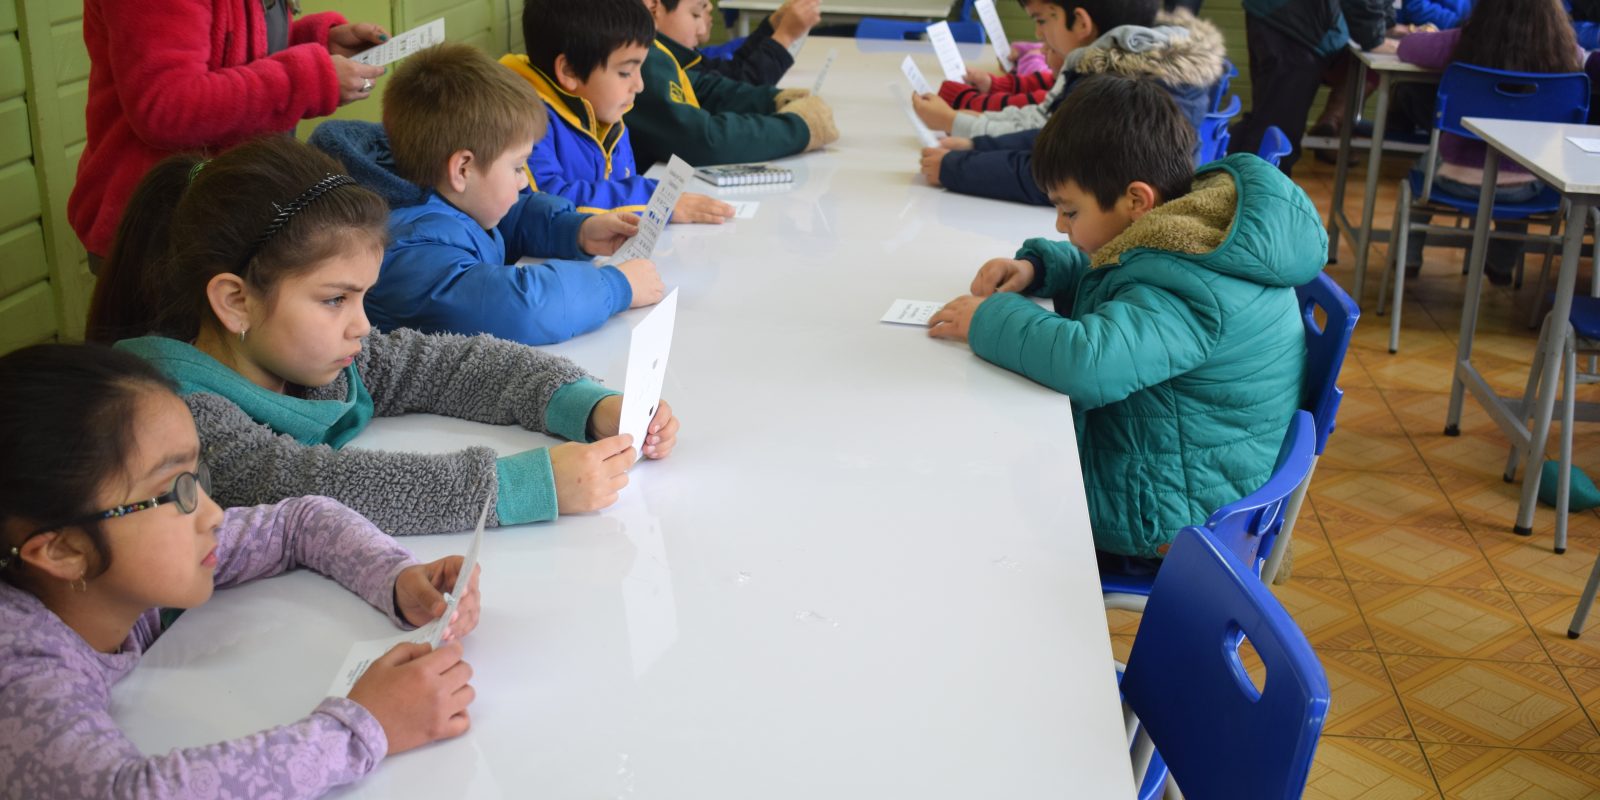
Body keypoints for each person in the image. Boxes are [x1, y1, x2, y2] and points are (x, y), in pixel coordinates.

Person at [84, 136, 680, 536]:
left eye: (363, 297)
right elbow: (314, 488)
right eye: (335, 299)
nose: (362, 325)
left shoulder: (299, 355)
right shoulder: (174, 417)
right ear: (236, 301)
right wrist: (523, 485)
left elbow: (449, 364)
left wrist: (587, 404)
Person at [0, 343, 480, 797]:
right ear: (64, 551)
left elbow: (298, 523)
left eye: (196, 478)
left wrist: (397, 579)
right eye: (174, 493)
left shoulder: (105, 576)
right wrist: (362, 728)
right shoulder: (19, 673)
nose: (212, 514)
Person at [925, 75, 1325, 559]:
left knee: (965, 486)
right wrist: (1040, 268)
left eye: (1070, 211)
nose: (1059, 224)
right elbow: (1125, 277)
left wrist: (988, 320)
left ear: (1137, 201)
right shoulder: (1192, 231)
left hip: (1172, 514)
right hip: (1173, 464)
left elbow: (1087, 364)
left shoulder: (1191, 285)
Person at [366, 41, 665, 345]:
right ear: (462, 169)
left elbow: (511, 220)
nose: (523, 182)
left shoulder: (446, 200)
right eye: (518, 167)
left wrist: (576, 231)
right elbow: (524, 308)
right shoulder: (409, 250)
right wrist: (616, 286)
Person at [70, 1, 390, 271]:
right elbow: (167, 106)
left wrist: (317, 45)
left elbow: (229, 45)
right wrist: (308, 78)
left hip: (231, 214)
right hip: (164, 235)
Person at [918, 0, 1227, 206]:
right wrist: (978, 145)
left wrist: (954, 168)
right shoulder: (1128, 70)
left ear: (1080, 22)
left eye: (1042, 19)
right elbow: (1052, 137)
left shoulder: (1120, 91)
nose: (1038, 33)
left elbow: (1062, 176)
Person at [1395, 0, 1585, 284]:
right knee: (1518, 184)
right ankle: (1501, 264)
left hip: (1452, 174)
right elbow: (1584, 59)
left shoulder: (1462, 42)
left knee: (1418, 180)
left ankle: (1408, 259)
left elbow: (1408, 48)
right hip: (1529, 183)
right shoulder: (1565, 51)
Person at [506, 0, 735, 221]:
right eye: (626, 72)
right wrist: (655, 201)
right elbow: (547, 205)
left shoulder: (603, 112)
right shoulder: (521, 124)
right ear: (570, 71)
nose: (639, 85)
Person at [626, 0, 838, 167]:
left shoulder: (662, 55)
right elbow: (703, 141)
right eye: (696, 14)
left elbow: (709, 89)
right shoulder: (643, 59)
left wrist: (775, 100)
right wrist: (799, 128)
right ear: (653, 7)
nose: (704, 26)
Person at [1229, 0, 1393, 174]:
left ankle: (1232, 182)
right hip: (1294, 24)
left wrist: (1386, 25)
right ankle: (1255, 187)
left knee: (1265, 120)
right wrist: (1374, 37)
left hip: (1278, 17)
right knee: (1278, 132)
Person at [695, 0, 822, 85]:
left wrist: (772, 26)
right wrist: (784, 36)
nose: (710, 6)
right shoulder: (687, 74)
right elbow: (739, 93)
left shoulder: (693, 60)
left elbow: (732, 72)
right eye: (693, 13)